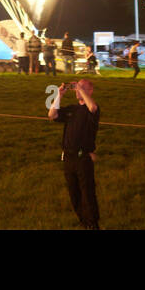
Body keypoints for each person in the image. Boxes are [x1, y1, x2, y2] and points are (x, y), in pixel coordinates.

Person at [48, 78, 101, 229]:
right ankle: (83, 222)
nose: (78, 89)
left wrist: (81, 90)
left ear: (90, 91)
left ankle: (92, 224)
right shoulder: (72, 109)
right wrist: (59, 95)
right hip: (68, 159)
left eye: (83, 87)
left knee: (87, 193)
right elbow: (52, 115)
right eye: (77, 87)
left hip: (83, 157)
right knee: (74, 195)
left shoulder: (92, 110)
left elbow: (93, 107)